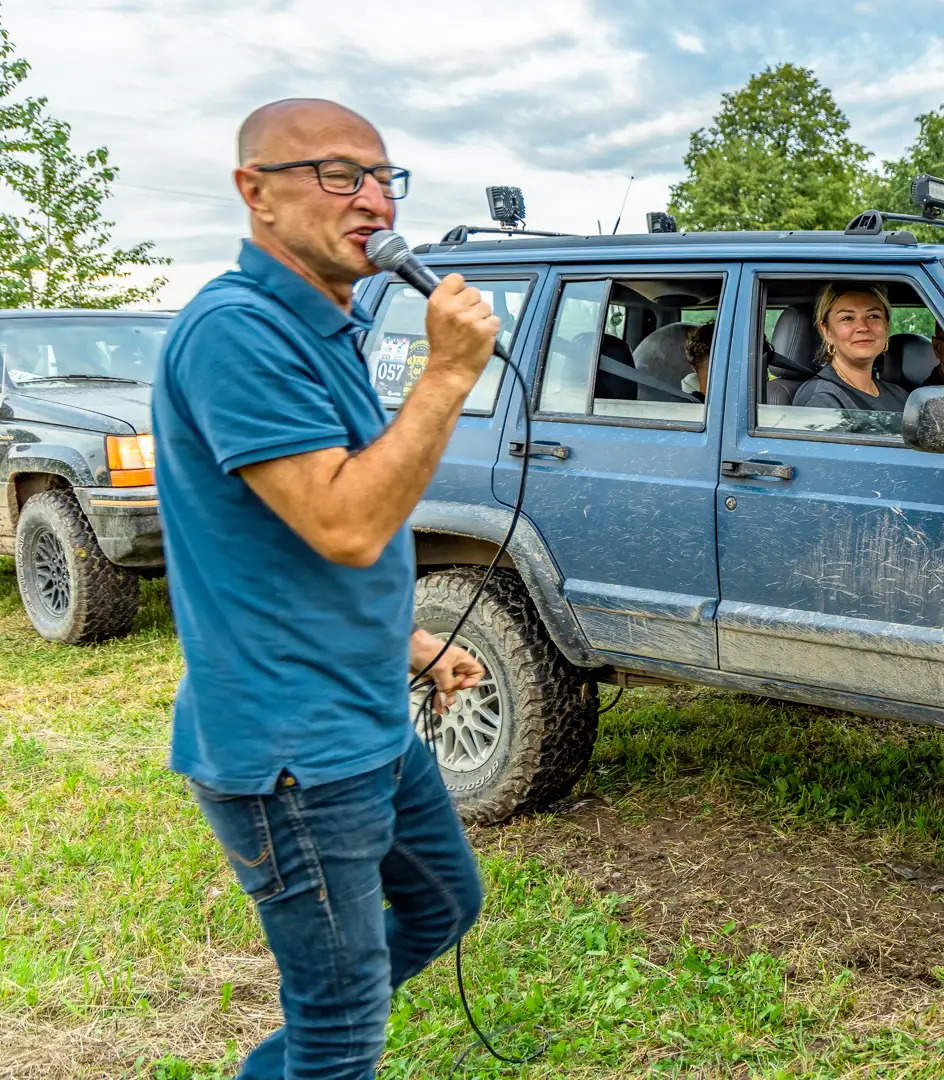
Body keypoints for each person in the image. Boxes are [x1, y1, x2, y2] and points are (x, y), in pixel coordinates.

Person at [152, 98, 497, 1079]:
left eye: (385, 177)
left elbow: (290, 544)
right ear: (254, 192)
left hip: (364, 713)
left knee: (443, 904)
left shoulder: (328, 328)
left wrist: (409, 645)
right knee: (340, 1022)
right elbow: (345, 523)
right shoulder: (237, 332)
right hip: (295, 750)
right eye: (338, 174)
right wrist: (447, 374)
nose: (373, 200)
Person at [792, 282, 909, 411]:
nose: (863, 327)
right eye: (847, 318)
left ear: (886, 326)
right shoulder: (820, 398)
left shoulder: (899, 395)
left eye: (873, 316)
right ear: (827, 331)